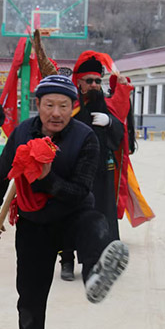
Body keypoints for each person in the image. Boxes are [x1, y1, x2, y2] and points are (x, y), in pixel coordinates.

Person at [0, 75, 129, 329]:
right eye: (49, 105)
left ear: (73, 107)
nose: (56, 113)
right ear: (37, 105)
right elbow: (2, 172)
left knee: (96, 224)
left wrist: (46, 178)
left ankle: (95, 275)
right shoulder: (22, 132)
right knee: (30, 298)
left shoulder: (85, 137)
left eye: (63, 106)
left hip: (72, 214)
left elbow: (80, 191)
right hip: (34, 224)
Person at [59, 53, 125, 281]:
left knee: (100, 216)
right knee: (69, 215)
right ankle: (67, 260)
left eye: (98, 81)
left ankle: (96, 261)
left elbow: (122, 135)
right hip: (73, 172)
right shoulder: (70, 108)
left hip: (102, 173)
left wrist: (111, 123)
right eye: (89, 81)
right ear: (79, 82)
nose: (95, 85)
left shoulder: (106, 107)